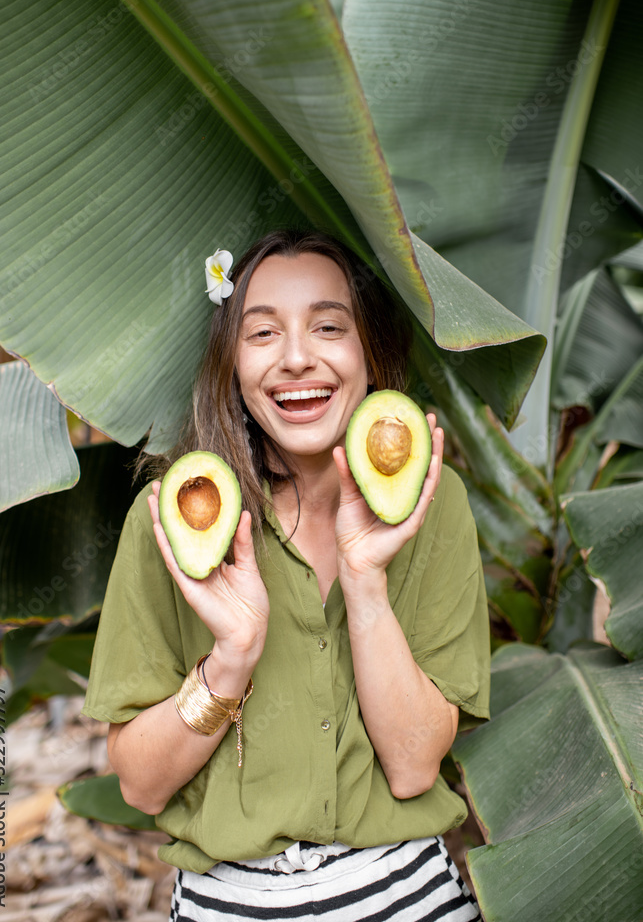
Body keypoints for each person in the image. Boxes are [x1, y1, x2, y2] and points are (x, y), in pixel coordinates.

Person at [83, 229, 490, 922]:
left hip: (404, 896)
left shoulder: (432, 500)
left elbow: (414, 766)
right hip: (227, 904)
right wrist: (230, 661)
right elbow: (142, 788)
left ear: (368, 352)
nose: (297, 358)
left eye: (328, 327)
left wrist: (366, 585)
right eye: (261, 333)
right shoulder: (170, 520)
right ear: (230, 364)